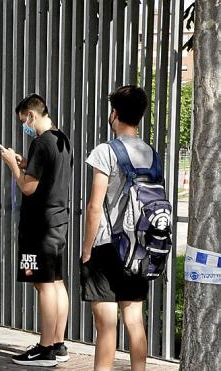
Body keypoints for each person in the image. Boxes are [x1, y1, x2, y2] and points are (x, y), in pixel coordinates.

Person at [81, 85, 152, 371]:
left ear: (115, 113)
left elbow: (94, 206)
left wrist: (87, 249)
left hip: (107, 246)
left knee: (106, 325)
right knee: (134, 320)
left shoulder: (105, 151)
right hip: (139, 245)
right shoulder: (150, 153)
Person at [0, 94, 72, 367]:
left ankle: (45, 348)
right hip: (58, 220)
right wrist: (25, 164)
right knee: (56, 282)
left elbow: (28, 187)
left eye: (23, 121)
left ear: (31, 114)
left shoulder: (40, 143)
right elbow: (49, 175)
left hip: (39, 225)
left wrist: (11, 166)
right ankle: (59, 343)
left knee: (43, 285)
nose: (24, 126)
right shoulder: (61, 139)